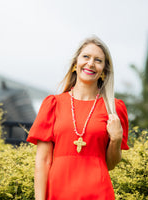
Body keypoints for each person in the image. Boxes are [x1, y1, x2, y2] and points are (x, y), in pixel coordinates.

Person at [27, 36, 129, 200]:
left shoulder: (114, 109)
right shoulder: (53, 104)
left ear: (104, 70)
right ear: (76, 63)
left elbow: (110, 164)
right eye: (86, 57)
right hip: (58, 192)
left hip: (98, 193)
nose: (90, 63)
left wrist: (116, 138)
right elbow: (43, 161)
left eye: (98, 60)